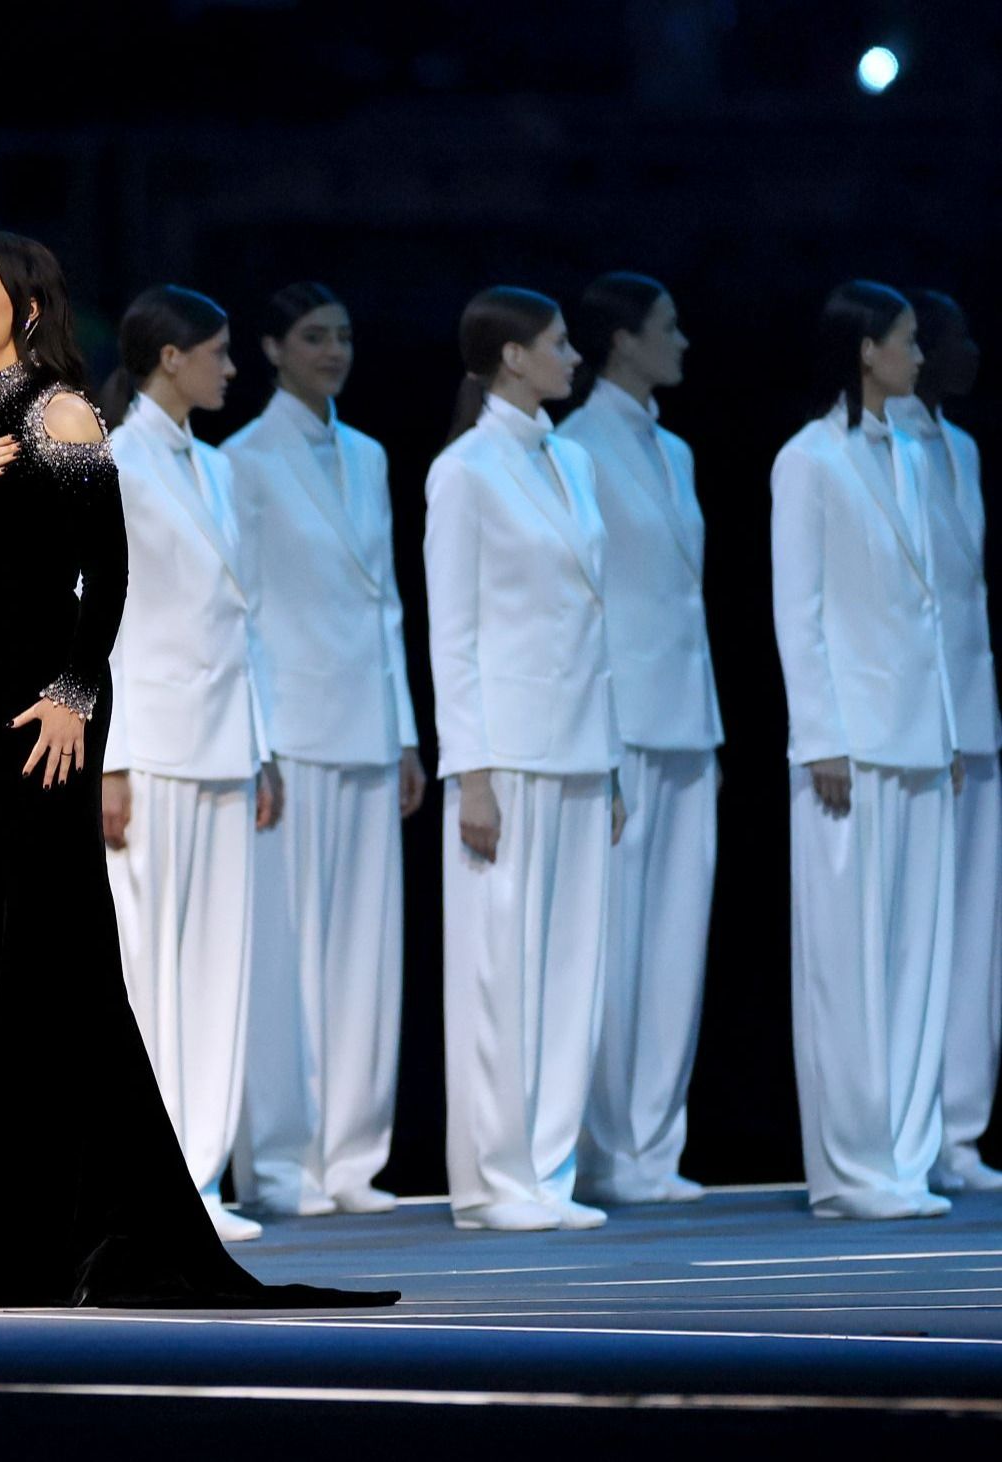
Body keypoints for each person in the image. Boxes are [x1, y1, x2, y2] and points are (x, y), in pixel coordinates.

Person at [0, 231, 392, 1310]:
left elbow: (104, 571)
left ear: (23, 306)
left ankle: (64, 1226)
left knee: (45, 948)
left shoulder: (64, 414)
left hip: (42, 710)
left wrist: (74, 694)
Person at [425, 286, 625, 1234]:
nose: (574, 356)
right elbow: (451, 633)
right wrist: (472, 769)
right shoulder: (464, 471)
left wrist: (614, 753)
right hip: (506, 751)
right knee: (500, 968)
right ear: (511, 357)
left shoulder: (574, 462)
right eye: (558, 343)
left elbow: (597, 619)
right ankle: (493, 1179)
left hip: (582, 742)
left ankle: (549, 1169)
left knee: (571, 970)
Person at [222, 282, 421, 1222]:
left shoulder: (371, 454)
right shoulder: (243, 460)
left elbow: (386, 601)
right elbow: (244, 613)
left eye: (343, 335)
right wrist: (257, 740)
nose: (332, 351)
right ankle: (279, 1161)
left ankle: (351, 1156)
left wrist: (409, 731)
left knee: (363, 954)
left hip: (367, 728)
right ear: (271, 348)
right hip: (293, 728)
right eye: (313, 336)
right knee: (290, 949)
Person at [771, 281, 959, 1220]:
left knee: (919, 958)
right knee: (851, 961)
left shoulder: (918, 459)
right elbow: (797, 612)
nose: (920, 357)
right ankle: (851, 1168)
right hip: (854, 743)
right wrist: (823, 737)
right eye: (907, 342)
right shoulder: (809, 461)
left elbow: (937, 611)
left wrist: (954, 729)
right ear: (865, 352)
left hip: (923, 734)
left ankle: (905, 1156)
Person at [99, 285, 281, 1244]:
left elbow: (245, 620)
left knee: (217, 969)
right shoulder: (113, 461)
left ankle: (200, 1176)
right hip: (155, 748)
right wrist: (109, 760)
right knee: (148, 970)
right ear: (169, 359)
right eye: (215, 352)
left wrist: (261, 746)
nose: (230, 367)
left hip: (220, 742)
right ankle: (144, 1180)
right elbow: (94, 618)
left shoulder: (215, 469)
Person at [558, 274, 724, 1206]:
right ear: (622, 341)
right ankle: (599, 1147)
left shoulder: (675, 450)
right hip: (618, 724)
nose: (684, 341)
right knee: (613, 943)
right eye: (668, 328)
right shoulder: (577, 449)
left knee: (673, 945)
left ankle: (653, 1149)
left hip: (687, 717)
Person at [889, 291, 1002, 1195]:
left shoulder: (959, 448)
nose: (964, 353)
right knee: (914, 934)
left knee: (974, 937)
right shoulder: (876, 451)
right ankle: (906, 1124)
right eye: (950, 337)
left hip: (975, 714)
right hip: (916, 727)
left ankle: (959, 1129)